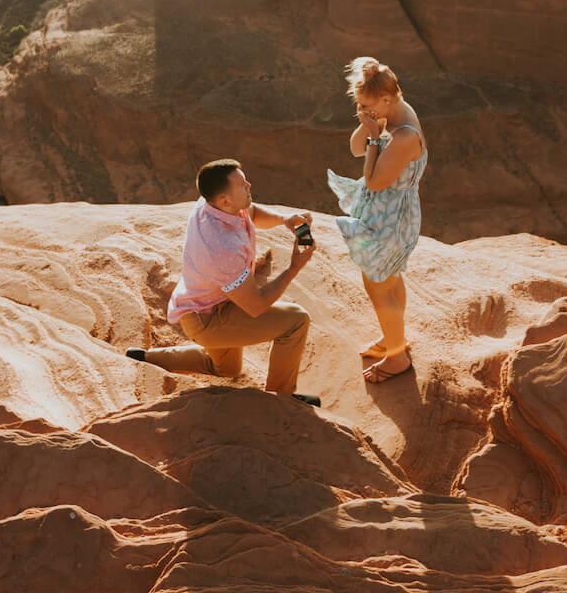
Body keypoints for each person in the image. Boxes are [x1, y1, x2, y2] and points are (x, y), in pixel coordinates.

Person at [126, 158, 322, 406]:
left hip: (206, 303)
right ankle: (280, 402)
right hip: (208, 320)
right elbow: (256, 305)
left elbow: (250, 212)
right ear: (224, 201)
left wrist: (284, 220)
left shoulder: (212, 204)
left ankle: (147, 359)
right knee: (296, 320)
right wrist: (295, 267)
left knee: (226, 368)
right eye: (242, 184)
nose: (249, 184)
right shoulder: (223, 248)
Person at [328, 56, 427, 384]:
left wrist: (374, 137)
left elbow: (373, 182)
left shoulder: (405, 136)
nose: (362, 109)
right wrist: (368, 125)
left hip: (392, 218)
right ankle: (394, 338)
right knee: (389, 279)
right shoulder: (391, 110)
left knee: (378, 285)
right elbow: (356, 149)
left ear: (386, 99)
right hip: (385, 211)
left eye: (367, 105)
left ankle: (397, 358)